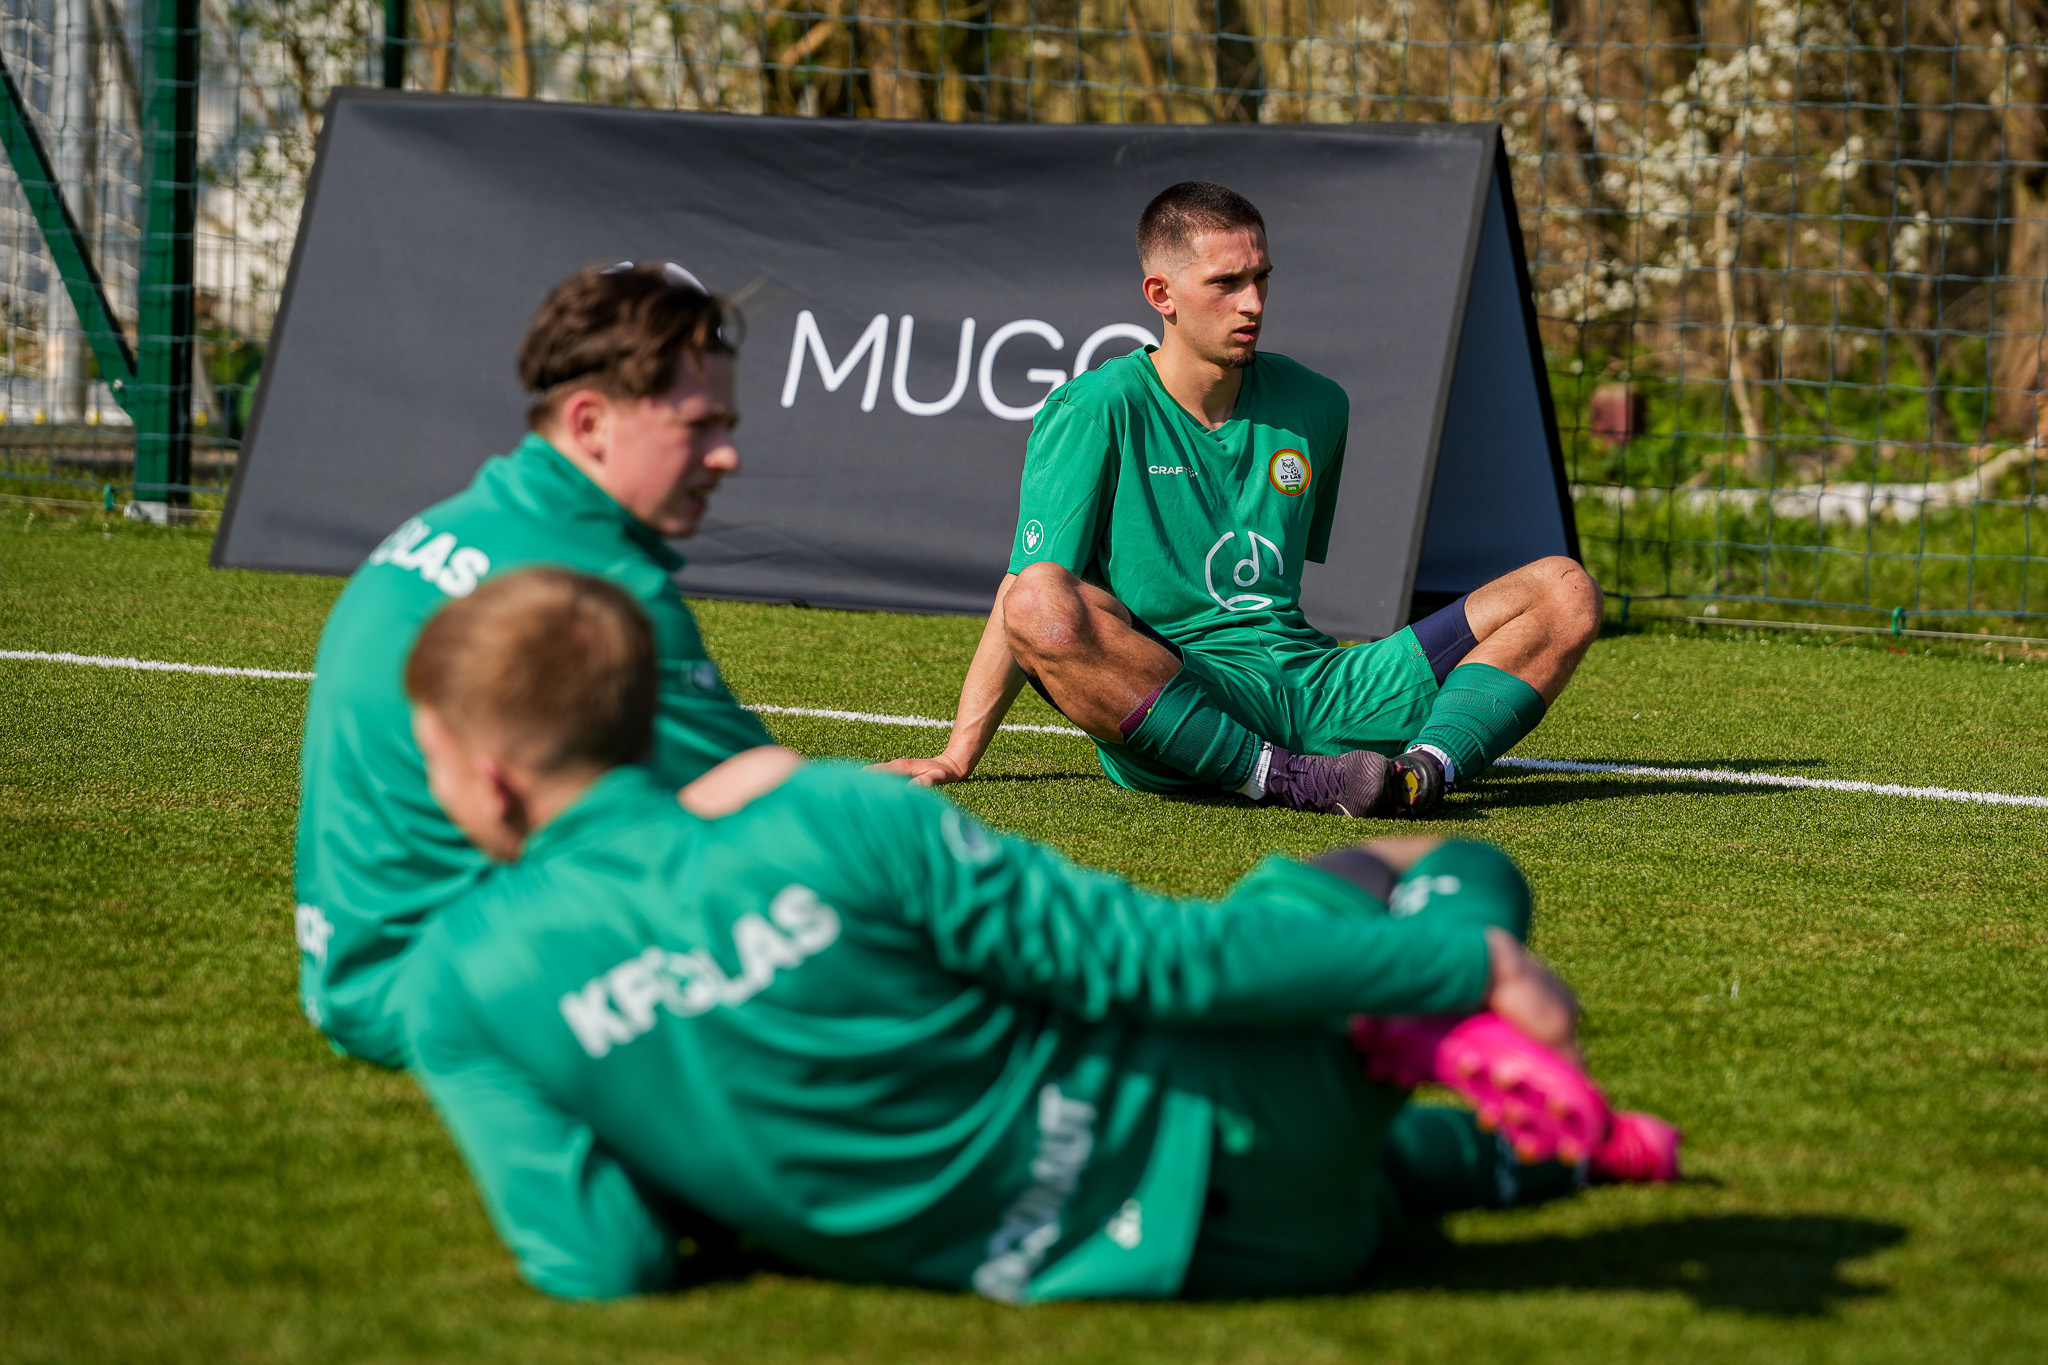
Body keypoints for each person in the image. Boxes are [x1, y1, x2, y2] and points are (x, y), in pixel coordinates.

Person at [395, 567, 1679, 1302]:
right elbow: (1147, 960)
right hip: (1247, 1116)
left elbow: (605, 1261)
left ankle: (1536, 1160)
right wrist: (1463, 962)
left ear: (487, 778)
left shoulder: (458, 982)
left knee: (1368, 1187)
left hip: (1236, 1257)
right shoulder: (834, 816)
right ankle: (1429, 1032)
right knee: (1443, 866)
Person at [878, 182, 1603, 818]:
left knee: (1564, 588)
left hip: (1317, 683)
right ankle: (1283, 778)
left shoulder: (1318, 404)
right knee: (1038, 597)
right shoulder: (1095, 407)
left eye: (1261, 278)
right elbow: (1024, 590)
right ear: (1161, 295)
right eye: (1225, 283)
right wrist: (958, 752)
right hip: (1183, 696)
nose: (1252, 302)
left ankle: (1422, 775)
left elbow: (1271, 590)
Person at [293, 263, 785, 1068]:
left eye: (727, 425)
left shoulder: (462, 517)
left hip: (351, 969)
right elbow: (770, 811)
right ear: (591, 424)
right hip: (455, 992)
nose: (727, 455)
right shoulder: (603, 589)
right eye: (698, 426)